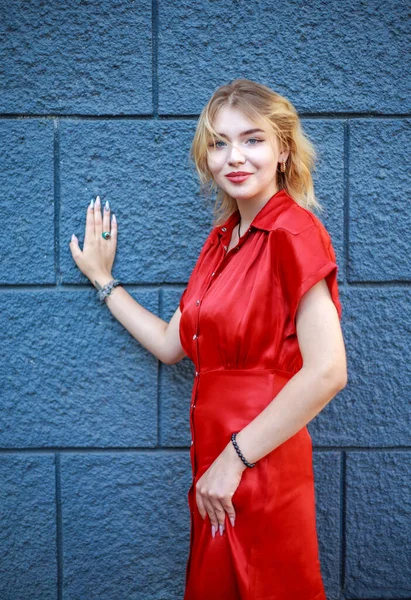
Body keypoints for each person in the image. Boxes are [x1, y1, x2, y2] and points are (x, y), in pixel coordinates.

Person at [69, 78, 347, 600]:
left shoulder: (294, 231)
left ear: (284, 150)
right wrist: (105, 281)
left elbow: (329, 370)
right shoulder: (219, 243)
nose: (234, 157)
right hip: (217, 465)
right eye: (218, 143)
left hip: (257, 462)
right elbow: (173, 344)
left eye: (253, 139)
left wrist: (233, 459)